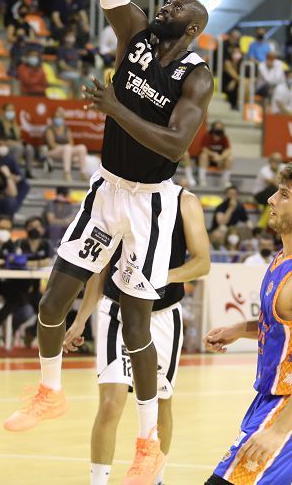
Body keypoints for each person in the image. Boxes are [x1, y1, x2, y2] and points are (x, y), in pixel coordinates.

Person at [3, 0, 214, 485]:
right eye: (167, 1)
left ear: (193, 28)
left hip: (152, 203)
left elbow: (176, 142)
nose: (167, 3)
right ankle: (48, 390)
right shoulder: (137, 35)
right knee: (54, 298)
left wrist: (115, 107)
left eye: (178, 6)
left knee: (136, 320)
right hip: (107, 189)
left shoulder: (197, 76)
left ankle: (147, 441)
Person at [62, 190, 211, 485]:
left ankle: (154, 478)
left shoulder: (185, 201)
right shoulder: (118, 195)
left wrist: (163, 276)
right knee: (110, 402)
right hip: (117, 313)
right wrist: (80, 319)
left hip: (162, 315)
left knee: (161, 402)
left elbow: (202, 263)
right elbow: (101, 268)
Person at [203, 163, 292, 484]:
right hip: (270, 399)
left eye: (283, 194)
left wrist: (279, 431)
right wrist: (238, 330)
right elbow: (282, 323)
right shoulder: (282, 259)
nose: (271, 201)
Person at [43, 107, 88, 182]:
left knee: (82, 147)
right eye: (57, 117)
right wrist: (64, 147)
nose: (58, 119)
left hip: (66, 152)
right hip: (52, 152)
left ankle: (83, 173)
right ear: (53, 119)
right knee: (67, 148)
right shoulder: (50, 129)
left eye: (60, 117)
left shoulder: (66, 129)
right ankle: (66, 173)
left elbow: (71, 143)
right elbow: (52, 145)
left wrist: (67, 148)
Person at [0, 102, 35, 175]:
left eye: (12, 110)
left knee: (29, 148)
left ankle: (28, 172)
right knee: (18, 148)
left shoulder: (15, 126)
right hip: (3, 147)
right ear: (4, 112)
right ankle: (13, 171)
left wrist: (20, 142)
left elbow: (19, 139)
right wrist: (13, 143)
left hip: (16, 146)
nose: (11, 113)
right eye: (8, 110)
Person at [197, 121, 232, 187]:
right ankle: (202, 180)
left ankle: (225, 180)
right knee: (203, 156)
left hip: (219, 161)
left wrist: (220, 157)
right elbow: (204, 149)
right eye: (217, 127)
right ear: (213, 127)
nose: (219, 129)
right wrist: (213, 154)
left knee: (230, 158)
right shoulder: (207, 136)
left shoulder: (224, 138)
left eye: (220, 128)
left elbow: (228, 150)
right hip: (209, 159)